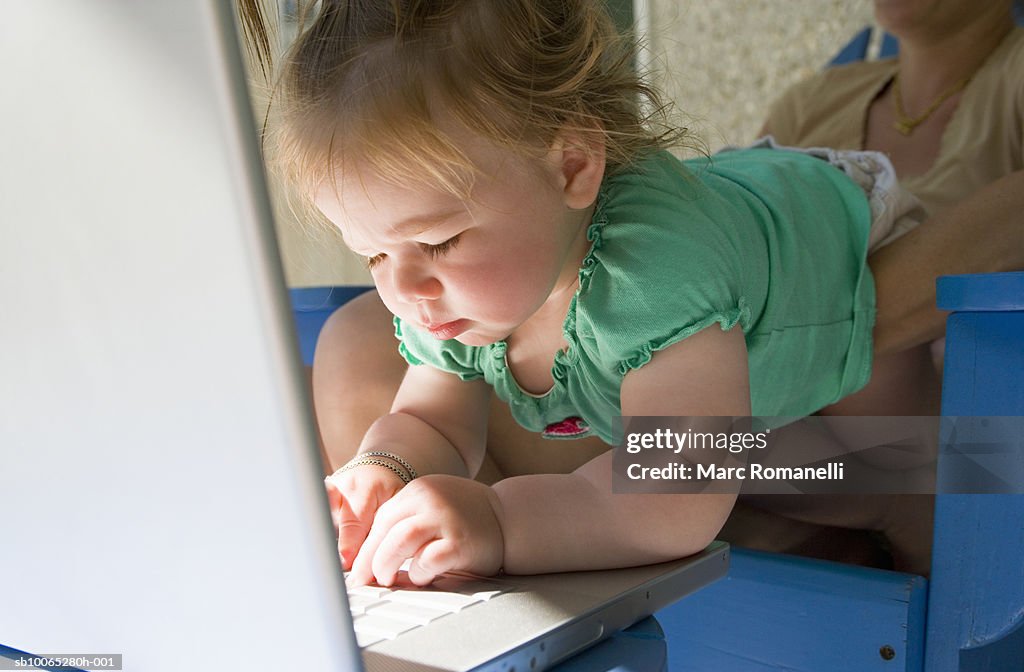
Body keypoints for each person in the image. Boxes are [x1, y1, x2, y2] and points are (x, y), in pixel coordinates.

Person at [250, 0, 945, 586]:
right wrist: (386, 465)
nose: (403, 287)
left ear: (573, 167)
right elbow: (435, 423)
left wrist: (501, 522)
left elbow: (674, 496)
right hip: (720, 274)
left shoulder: (660, 276)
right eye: (373, 250)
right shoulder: (441, 291)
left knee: (917, 476)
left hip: (832, 247)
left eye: (437, 242)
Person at [717, 0, 1024, 569]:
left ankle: (904, 507)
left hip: (971, 452)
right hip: (794, 439)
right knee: (656, 452)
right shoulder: (812, 102)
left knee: (659, 451)